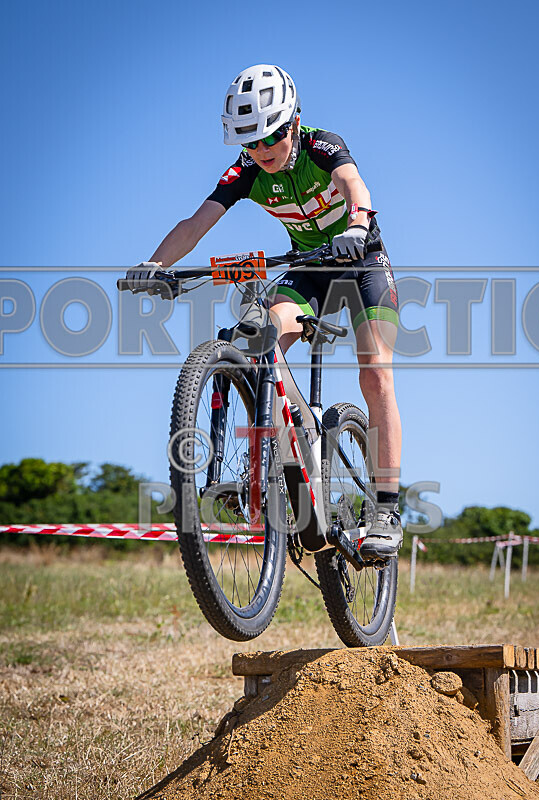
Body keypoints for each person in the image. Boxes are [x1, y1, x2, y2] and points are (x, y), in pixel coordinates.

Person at [125, 64, 402, 561]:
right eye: (249, 143)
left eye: (271, 137)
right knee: (257, 341)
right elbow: (197, 221)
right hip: (309, 270)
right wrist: (155, 264)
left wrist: (357, 225)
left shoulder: (322, 145)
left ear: (294, 120)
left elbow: (353, 183)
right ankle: (279, 466)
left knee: (376, 374)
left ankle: (385, 508)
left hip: (362, 262)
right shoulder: (247, 171)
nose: (262, 151)